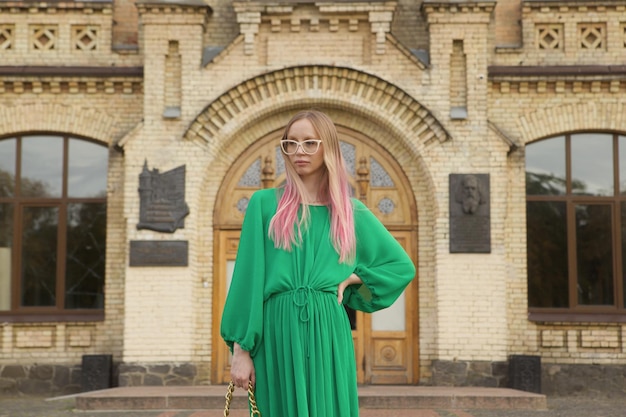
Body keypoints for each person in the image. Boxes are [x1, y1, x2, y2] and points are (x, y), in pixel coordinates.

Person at [220, 109, 416, 417]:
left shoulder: (350, 212)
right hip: (276, 331)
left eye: (310, 143)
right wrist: (241, 351)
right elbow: (247, 280)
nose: (299, 151)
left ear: (328, 147)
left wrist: (352, 279)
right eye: (291, 143)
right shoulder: (263, 204)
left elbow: (400, 266)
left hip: (328, 330)